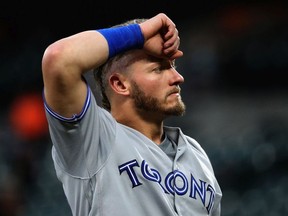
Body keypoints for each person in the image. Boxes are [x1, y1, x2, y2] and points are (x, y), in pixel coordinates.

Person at [41, 13, 222, 216]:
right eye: (158, 69)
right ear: (120, 84)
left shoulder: (196, 154)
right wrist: (139, 34)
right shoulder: (93, 140)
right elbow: (59, 59)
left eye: (172, 66)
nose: (178, 78)